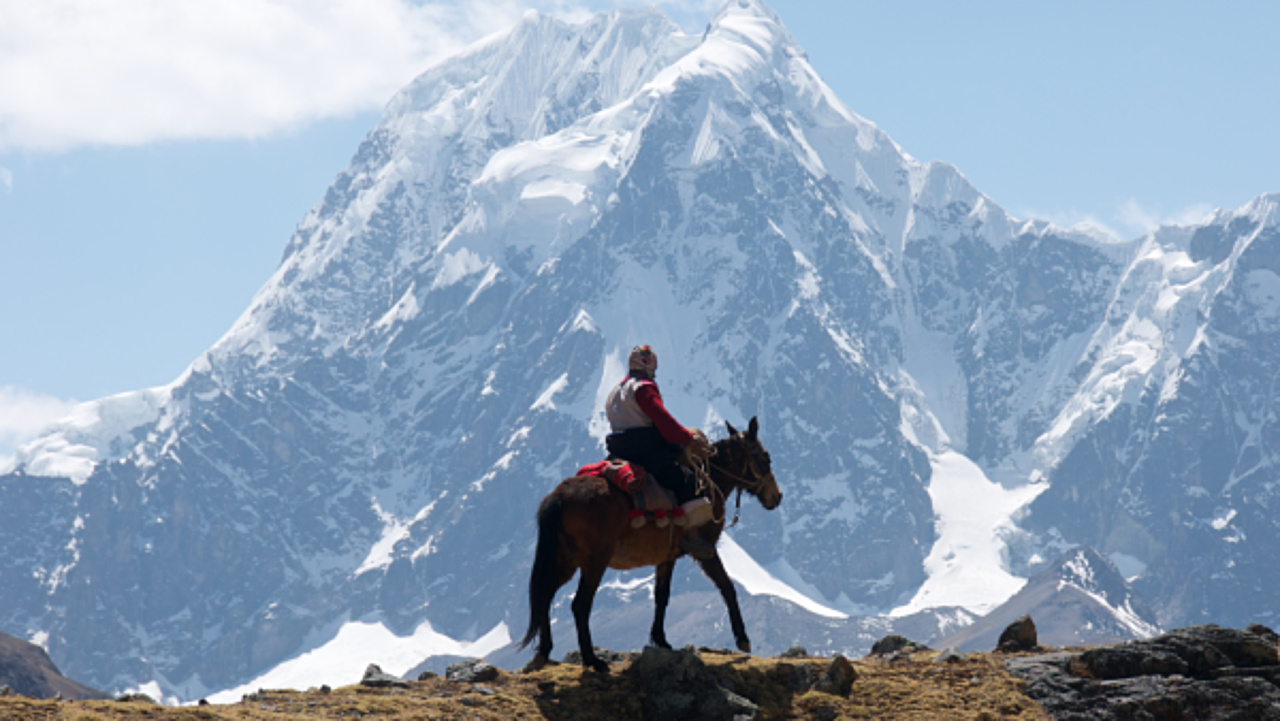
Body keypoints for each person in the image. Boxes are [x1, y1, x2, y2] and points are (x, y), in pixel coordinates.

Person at [605, 345, 716, 559]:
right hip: (645, 451)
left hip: (619, 452)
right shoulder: (644, 388)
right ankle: (691, 536)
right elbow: (662, 420)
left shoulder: (615, 392)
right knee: (686, 479)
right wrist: (687, 439)